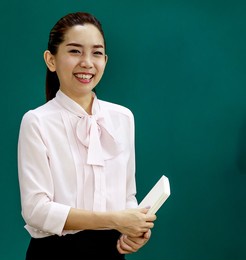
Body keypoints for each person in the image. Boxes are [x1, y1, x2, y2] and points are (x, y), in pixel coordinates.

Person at [17, 12, 156, 260]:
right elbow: (36, 211)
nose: (87, 62)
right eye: (75, 51)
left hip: (111, 253)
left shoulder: (123, 118)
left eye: (97, 52)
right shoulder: (37, 121)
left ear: (106, 60)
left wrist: (134, 230)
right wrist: (113, 219)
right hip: (55, 253)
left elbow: (127, 196)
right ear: (51, 60)